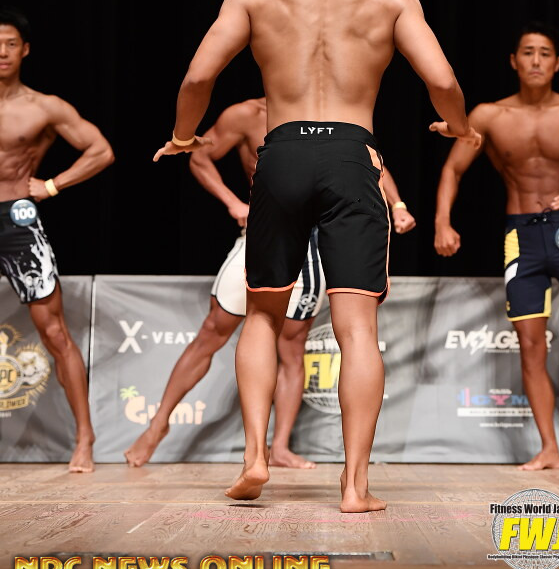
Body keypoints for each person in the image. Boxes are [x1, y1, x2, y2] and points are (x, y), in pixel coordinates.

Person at [154, 0, 479, 511]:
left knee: (262, 314)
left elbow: (197, 78)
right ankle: (354, 487)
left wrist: (185, 137)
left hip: (281, 156)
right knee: (357, 328)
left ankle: (254, 457)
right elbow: (442, 79)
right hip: (353, 157)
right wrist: (459, 126)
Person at [125, 94, 415, 469]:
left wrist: (398, 204)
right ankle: (158, 426)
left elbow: (369, 160)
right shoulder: (247, 114)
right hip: (267, 233)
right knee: (213, 330)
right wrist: (233, 202)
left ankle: (278, 447)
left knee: (292, 348)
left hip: (317, 240)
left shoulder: (336, 111)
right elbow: (199, 157)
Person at [434, 21, 559, 470]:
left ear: (558, 63)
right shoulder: (490, 116)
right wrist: (442, 223)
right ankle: (549, 449)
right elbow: (453, 170)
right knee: (530, 346)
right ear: (513, 60)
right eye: (528, 52)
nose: (536, 61)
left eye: (544, 53)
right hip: (520, 236)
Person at [0, 7, 114, 472]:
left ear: (24, 50)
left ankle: (84, 437)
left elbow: (101, 150)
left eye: (10, 43)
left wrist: (52, 185)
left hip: (18, 219)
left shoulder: (43, 107)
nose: (2, 52)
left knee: (54, 332)